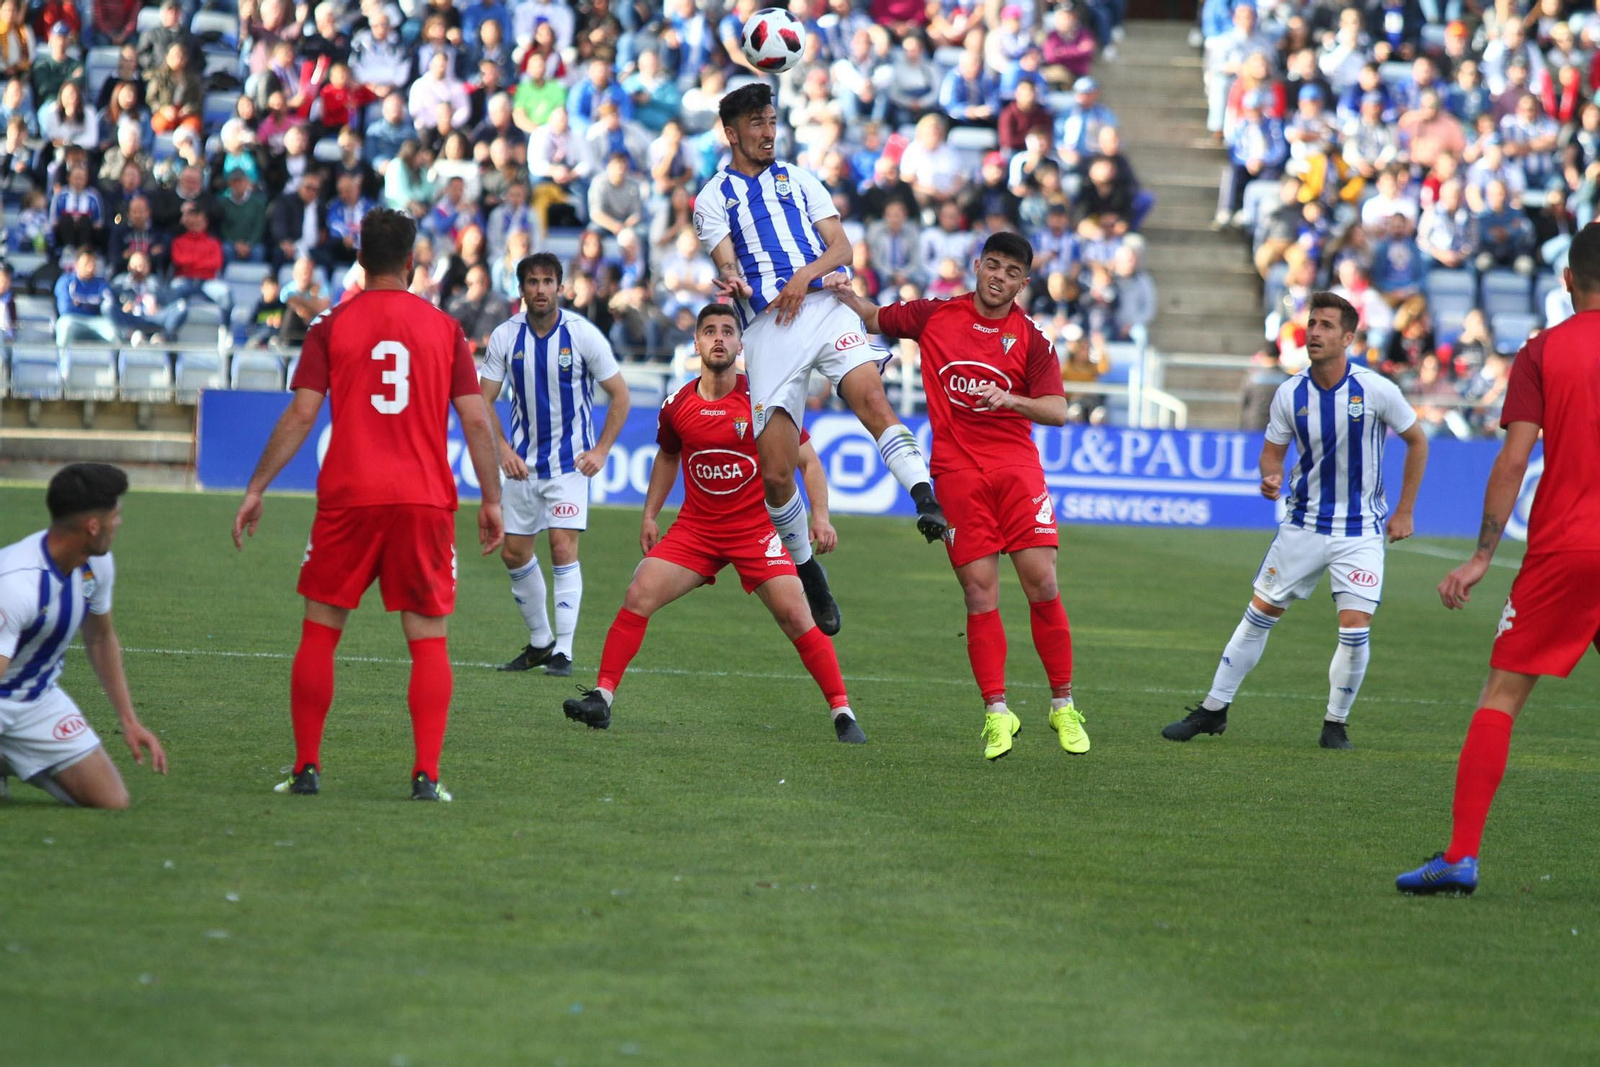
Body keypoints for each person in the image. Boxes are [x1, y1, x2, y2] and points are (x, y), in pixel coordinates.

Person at [230, 208, 505, 802]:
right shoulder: (444, 329)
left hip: (349, 496)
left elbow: (302, 413)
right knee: (428, 637)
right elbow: (477, 420)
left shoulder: (331, 325)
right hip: (424, 499)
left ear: (359, 259)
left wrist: (257, 488)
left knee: (322, 629)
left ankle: (307, 768)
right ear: (412, 262)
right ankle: (426, 776)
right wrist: (491, 500)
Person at [694, 82, 946, 640]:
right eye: (756, 124)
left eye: (771, 121)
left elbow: (841, 250)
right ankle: (809, 568)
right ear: (732, 133)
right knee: (779, 475)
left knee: (870, 397)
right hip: (767, 329)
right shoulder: (712, 198)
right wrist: (734, 280)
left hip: (825, 307)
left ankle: (926, 498)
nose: (768, 132)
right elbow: (728, 261)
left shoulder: (801, 178)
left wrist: (803, 276)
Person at [1395, 223, 1600, 897]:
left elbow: (1514, 459)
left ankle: (1461, 854)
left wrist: (1483, 554)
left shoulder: (1544, 351)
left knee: (1502, 696)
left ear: (1567, 280)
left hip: (1567, 548)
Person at [825, 231, 1084, 760]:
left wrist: (1010, 399)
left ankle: (1063, 706)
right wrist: (844, 294)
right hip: (957, 474)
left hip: (1016, 471)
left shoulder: (1033, 338)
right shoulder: (934, 315)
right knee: (978, 594)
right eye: (993, 266)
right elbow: (875, 318)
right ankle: (996, 713)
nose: (999, 278)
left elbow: (1058, 410)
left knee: (1042, 582)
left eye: (1011, 273)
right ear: (977, 266)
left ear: (1023, 283)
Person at [561, 303, 868, 743]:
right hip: (697, 531)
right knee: (639, 591)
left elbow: (809, 462)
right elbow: (668, 456)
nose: (719, 338)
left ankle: (842, 712)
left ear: (741, 344)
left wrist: (820, 516)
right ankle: (602, 699)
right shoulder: (677, 405)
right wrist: (650, 514)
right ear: (697, 343)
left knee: (797, 614)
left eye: (728, 331)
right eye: (710, 331)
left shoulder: (764, 398)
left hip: (756, 531)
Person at [1163, 292, 1430, 749]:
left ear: (1348, 337)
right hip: (1302, 525)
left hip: (1359, 531)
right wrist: (1269, 476)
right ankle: (1213, 710)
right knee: (1258, 615)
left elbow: (1417, 441)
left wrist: (1404, 510)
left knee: (1354, 627)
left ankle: (1335, 724)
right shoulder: (1291, 393)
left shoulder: (1376, 389)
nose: (1315, 332)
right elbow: (1273, 450)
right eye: (1312, 323)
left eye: (1327, 325)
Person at [476, 252, 631, 678]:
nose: (540, 289)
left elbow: (620, 394)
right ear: (521, 288)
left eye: (548, 281)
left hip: (568, 466)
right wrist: (504, 450)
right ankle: (541, 641)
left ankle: (563, 649)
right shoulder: (506, 337)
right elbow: (482, 401)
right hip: (522, 466)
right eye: (532, 281)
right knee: (513, 553)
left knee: (562, 547)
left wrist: (600, 450)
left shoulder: (582, 335)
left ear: (560, 287)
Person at [0, 463, 167, 807]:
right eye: (115, 515)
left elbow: (100, 638)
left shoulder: (97, 564)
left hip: (38, 699)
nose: (118, 523)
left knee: (111, 800)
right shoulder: (15, 583)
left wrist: (129, 720)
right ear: (93, 526)